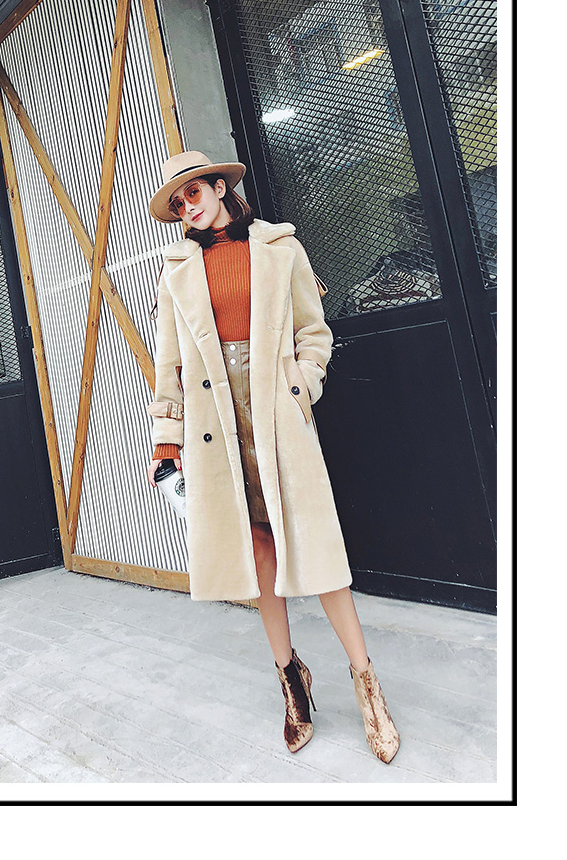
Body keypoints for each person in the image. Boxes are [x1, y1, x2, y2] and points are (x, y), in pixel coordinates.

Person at [146, 150, 400, 764]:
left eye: (193, 192)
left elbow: (313, 331)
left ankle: (366, 683)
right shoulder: (178, 269)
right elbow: (170, 366)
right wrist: (166, 441)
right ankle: (291, 680)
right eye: (177, 202)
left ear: (218, 186)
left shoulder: (279, 247)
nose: (187, 206)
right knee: (259, 550)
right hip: (217, 423)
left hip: (277, 415)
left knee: (319, 547)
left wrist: (300, 386)